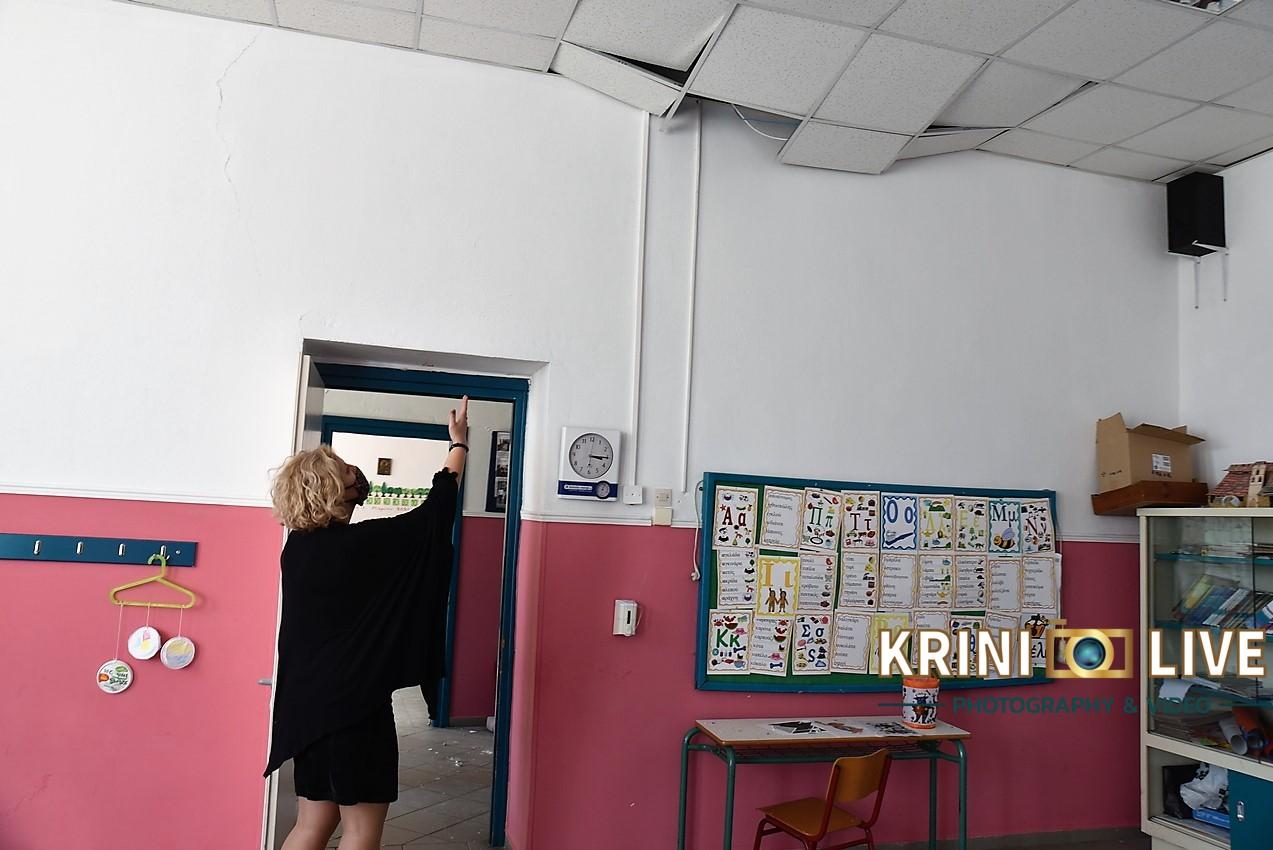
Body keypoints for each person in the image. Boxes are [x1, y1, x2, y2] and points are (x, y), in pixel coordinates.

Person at [264, 397, 470, 850]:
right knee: (360, 830)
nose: (354, 473)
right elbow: (436, 514)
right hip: (355, 707)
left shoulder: (296, 550)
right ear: (332, 489)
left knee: (310, 825)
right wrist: (458, 445)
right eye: (345, 470)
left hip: (307, 708)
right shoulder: (364, 544)